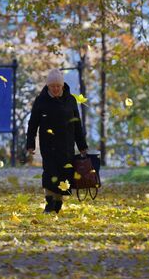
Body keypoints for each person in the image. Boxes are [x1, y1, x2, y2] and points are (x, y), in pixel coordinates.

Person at [26, 68, 88, 213]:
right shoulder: (41, 100)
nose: (55, 89)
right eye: (52, 86)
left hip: (66, 144)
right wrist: (30, 144)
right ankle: (49, 201)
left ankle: (58, 201)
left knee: (63, 174)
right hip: (48, 145)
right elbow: (33, 123)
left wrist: (82, 145)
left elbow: (77, 123)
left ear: (62, 85)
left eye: (57, 86)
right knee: (49, 172)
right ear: (48, 86)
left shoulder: (71, 100)